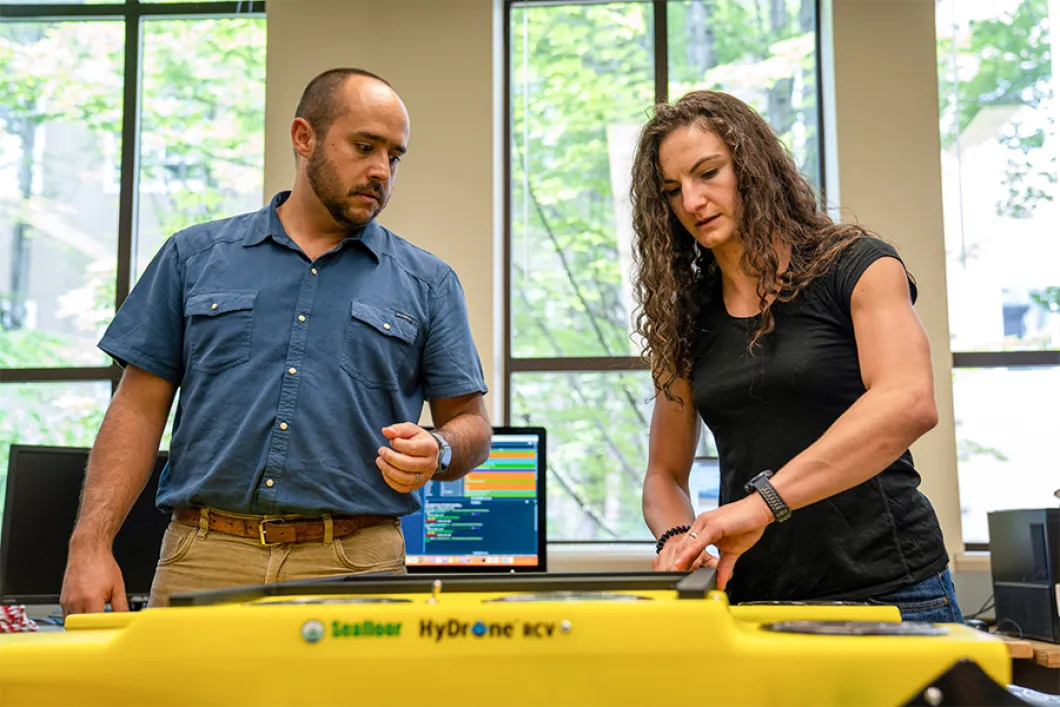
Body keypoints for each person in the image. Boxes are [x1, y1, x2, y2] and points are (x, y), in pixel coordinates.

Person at [60, 68, 492, 615]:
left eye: (394, 156)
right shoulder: (193, 257)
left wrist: (441, 448)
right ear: (303, 137)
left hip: (356, 564)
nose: (381, 170)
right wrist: (90, 545)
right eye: (364, 146)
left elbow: (472, 423)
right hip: (204, 556)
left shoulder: (428, 282)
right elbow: (137, 410)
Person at [631, 90, 962, 623]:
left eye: (708, 173)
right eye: (673, 189)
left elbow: (909, 402)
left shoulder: (857, 266)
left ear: (753, 169)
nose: (691, 202)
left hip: (892, 591)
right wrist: (679, 539)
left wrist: (760, 504)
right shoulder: (687, 317)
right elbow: (664, 474)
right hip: (756, 597)